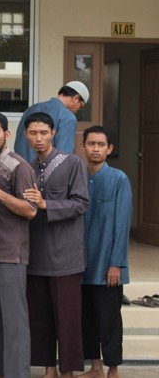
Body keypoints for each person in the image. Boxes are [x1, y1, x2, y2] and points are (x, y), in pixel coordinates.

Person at [22, 112, 89, 378]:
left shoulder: (72, 163)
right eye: (33, 133)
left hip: (65, 258)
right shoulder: (27, 168)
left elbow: (81, 203)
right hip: (35, 256)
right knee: (41, 318)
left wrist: (45, 204)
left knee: (68, 319)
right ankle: (49, 368)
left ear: (53, 134)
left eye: (43, 133)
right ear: (26, 135)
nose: (38, 138)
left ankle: (67, 371)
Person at [0, 111, 37, 378]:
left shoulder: (19, 166)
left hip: (10, 254)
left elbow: (30, 209)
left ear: (6, 134)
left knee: (14, 323)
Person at [79, 126, 132, 378]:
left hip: (107, 266)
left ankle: (113, 369)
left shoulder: (119, 179)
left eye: (101, 145)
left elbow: (122, 225)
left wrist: (116, 264)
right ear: (83, 146)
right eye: (91, 144)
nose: (96, 149)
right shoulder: (77, 177)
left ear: (109, 149)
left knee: (109, 320)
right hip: (80, 265)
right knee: (86, 319)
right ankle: (95, 367)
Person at [14, 81, 90, 163]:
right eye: (80, 105)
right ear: (76, 98)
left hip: (21, 167)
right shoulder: (67, 117)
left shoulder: (31, 109)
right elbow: (64, 157)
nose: (77, 110)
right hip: (47, 170)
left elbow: (18, 144)